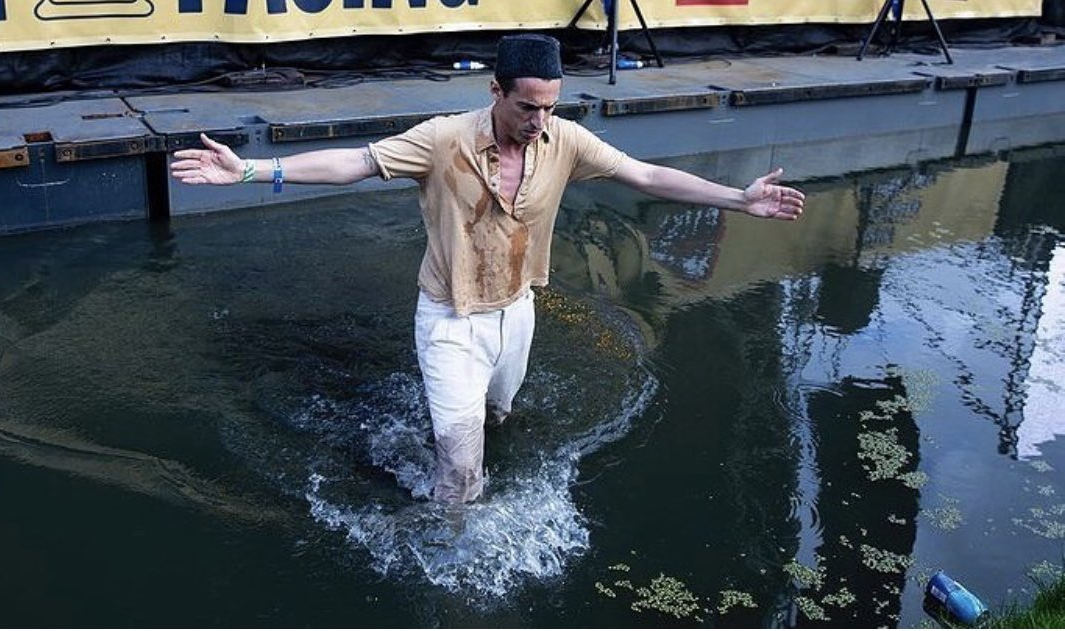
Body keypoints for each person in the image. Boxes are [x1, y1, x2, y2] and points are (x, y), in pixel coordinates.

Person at [170, 34, 805, 504]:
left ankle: (464, 442)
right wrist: (252, 170)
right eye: (528, 107)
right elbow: (355, 162)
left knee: (498, 419)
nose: (540, 121)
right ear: (496, 92)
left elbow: (646, 175)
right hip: (448, 319)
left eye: (551, 107)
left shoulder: (566, 141)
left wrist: (737, 199)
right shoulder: (442, 139)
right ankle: (452, 556)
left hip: (517, 311)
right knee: (462, 472)